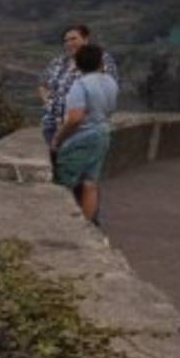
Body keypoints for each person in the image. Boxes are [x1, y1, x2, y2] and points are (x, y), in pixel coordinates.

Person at [51, 44, 118, 223]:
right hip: (104, 134)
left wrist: (58, 138)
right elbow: (111, 109)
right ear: (100, 63)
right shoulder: (111, 82)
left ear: (78, 65)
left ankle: (62, 224)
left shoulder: (80, 85)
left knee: (64, 182)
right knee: (90, 183)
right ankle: (86, 227)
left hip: (83, 138)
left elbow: (75, 118)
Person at [40, 24, 118, 147]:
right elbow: (43, 84)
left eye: (73, 39)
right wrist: (49, 103)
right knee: (59, 162)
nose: (69, 43)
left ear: (86, 39)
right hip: (53, 125)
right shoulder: (58, 62)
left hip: (82, 128)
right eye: (66, 41)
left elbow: (106, 89)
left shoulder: (100, 59)